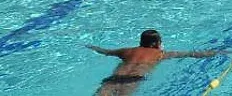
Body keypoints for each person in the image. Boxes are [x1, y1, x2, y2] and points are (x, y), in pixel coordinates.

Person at [88, 30, 221, 96]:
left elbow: (105, 51)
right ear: (156, 43)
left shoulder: (127, 51)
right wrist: (217, 52)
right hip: (133, 79)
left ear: (141, 42)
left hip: (113, 78)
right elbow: (191, 54)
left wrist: (91, 46)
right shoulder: (160, 54)